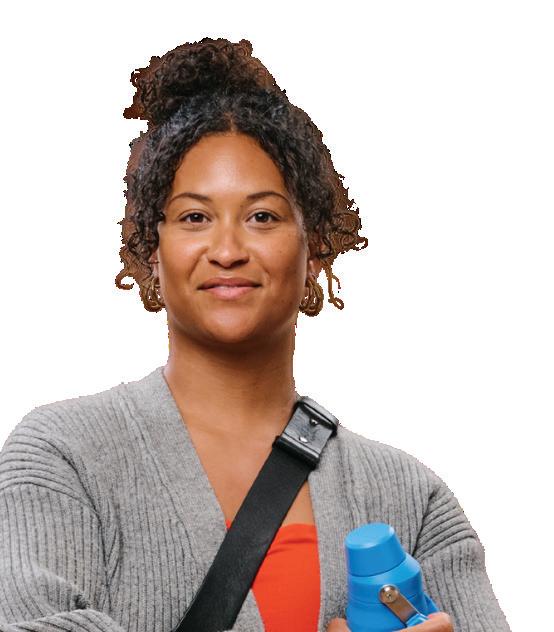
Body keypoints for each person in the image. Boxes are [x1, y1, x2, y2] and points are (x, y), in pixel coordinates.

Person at [0, 38, 511, 632]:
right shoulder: (62, 455)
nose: (227, 250)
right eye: (194, 217)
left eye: (262, 216)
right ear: (152, 250)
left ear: (315, 248)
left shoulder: (410, 500)